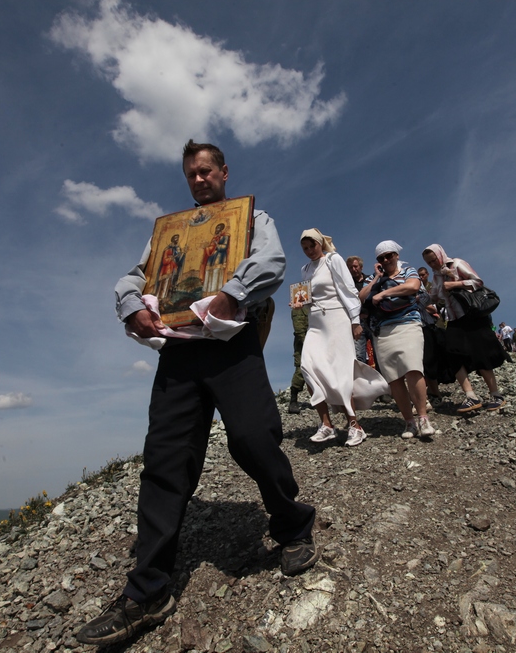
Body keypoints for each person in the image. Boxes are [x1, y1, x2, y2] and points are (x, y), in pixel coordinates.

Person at [77, 141, 318, 646]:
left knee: (253, 439)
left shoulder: (251, 219)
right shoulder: (168, 232)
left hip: (233, 347)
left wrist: (233, 293)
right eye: (191, 174)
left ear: (224, 172)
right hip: (180, 355)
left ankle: (292, 526)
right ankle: (148, 590)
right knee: (165, 462)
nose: (199, 180)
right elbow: (135, 276)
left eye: (206, 171)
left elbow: (271, 262)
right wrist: (131, 306)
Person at [295, 229, 389, 447]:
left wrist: (355, 321)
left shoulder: (333, 260)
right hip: (316, 322)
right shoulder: (305, 269)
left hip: (336, 318)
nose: (309, 251)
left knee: (341, 372)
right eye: (305, 248)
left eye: (312, 246)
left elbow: (348, 290)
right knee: (308, 367)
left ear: (320, 243)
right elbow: (309, 296)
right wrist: (301, 303)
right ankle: (326, 424)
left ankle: (354, 425)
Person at [359, 240, 436, 439]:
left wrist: (384, 292)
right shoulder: (374, 277)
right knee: (394, 378)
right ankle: (408, 421)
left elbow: (413, 286)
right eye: (381, 258)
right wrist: (376, 278)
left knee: (413, 369)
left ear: (396, 255)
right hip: (383, 330)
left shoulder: (408, 270)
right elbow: (361, 296)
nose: (386, 260)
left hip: (408, 323)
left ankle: (423, 417)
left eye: (389, 255)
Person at [423, 244, 507, 412]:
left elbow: (477, 282)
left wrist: (455, 284)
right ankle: (470, 396)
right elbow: (435, 296)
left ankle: (496, 395)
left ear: (441, 255)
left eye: (434, 260)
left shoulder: (456, 264)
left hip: (471, 316)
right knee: (453, 355)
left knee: (481, 355)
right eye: (429, 262)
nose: (432, 264)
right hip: (453, 319)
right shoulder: (436, 276)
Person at [287, 304, 309, 414]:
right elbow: (299, 331)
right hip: (303, 346)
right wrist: (308, 345)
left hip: (318, 343)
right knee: (301, 371)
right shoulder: (299, 309)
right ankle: (293, 400)